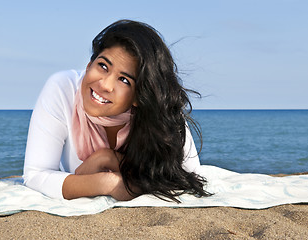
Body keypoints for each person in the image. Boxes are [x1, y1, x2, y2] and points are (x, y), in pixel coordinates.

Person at [23, 19, 210, 202]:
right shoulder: (63, 88)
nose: (105, 84)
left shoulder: (161, 112)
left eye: (124, 80)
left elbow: (189, 178)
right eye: (103, 66)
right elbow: (35, 176)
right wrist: (108, 183)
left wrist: (111, 159)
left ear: (139, 96)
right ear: (89, 65)